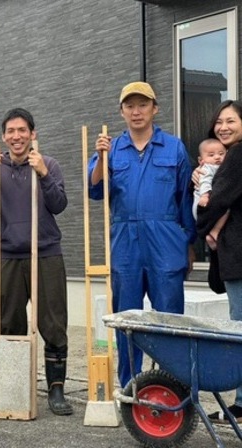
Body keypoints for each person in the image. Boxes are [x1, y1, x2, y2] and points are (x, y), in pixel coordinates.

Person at [88, 81, 197, 388]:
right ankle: (130, 388)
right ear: (122, 111)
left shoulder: (174, 147)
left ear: (154, 109)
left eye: (143, 105)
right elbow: (95, 190)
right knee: (128, 319)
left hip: (166, 240)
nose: (136, 112)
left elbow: (185, 200)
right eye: (130, 106)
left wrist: (188, 244)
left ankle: (175, 390)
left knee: (171, 321)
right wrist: (100, 157)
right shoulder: (110, 147)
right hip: (125, 242)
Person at [0, 107, 73, 416]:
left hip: (45, 253)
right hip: (9, 254)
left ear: (32, 134)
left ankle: (56, 391)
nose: (17, 136)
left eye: (22, 131)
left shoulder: (48, 163)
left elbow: (60, 204)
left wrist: (42, 173)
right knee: (9, 325)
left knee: (53, 323)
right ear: (3, 136)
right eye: (11, 131)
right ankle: (11, 386)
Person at [196, 99, 242, 424]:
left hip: (240, 256)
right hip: (234, 253)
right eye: (219, 122)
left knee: (239, 326)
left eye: (231, 121)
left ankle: (241, 403)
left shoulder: (238, 155)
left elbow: (220, 199)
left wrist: (201, 219)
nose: (223, 127)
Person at [192, 138, 228, 250]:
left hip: (207, 202)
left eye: (221, 154)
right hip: (202, 200)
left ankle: (212, 234)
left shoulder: (222, 166)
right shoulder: (208, 167)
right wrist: (205, 195)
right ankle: (214, 231)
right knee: (227, 208)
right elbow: (205, 181)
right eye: (211, 155)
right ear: (200, 160)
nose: (217, 157)